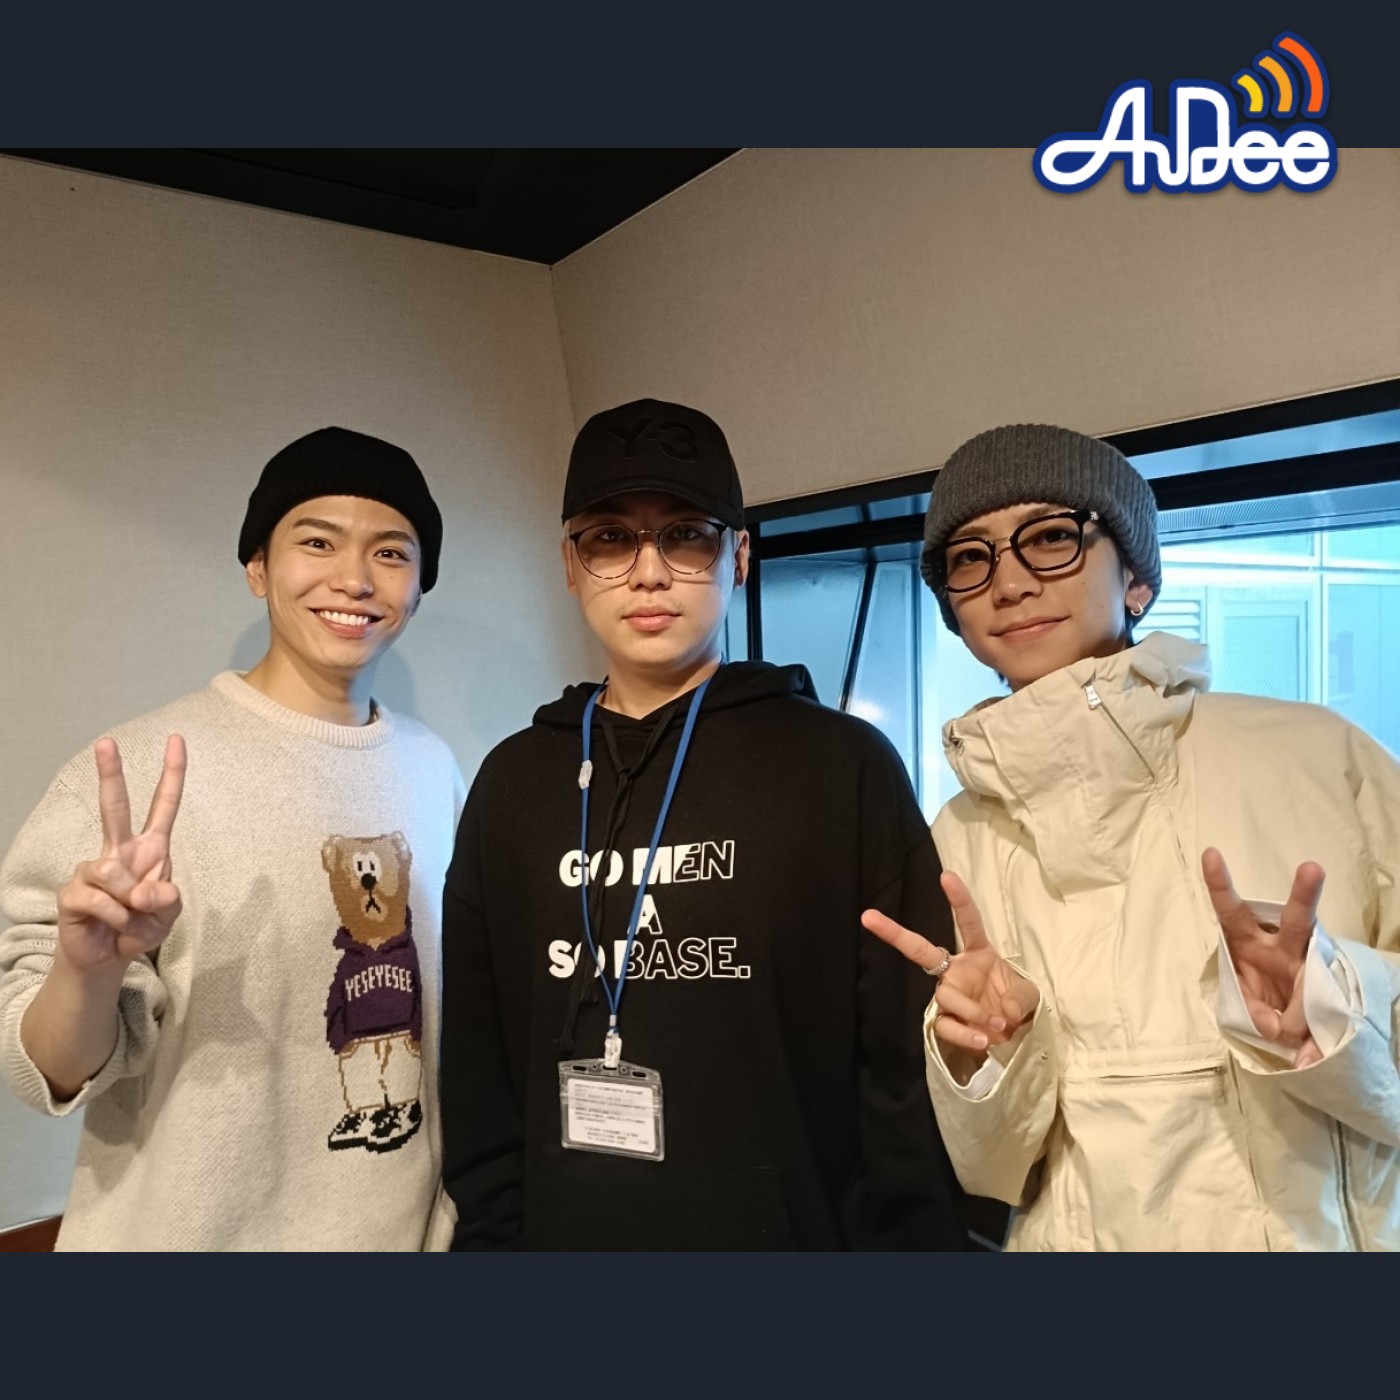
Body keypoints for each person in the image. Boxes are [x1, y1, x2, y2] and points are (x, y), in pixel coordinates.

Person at [440, 397, 982, 1249]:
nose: (648, 572)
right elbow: (480, 1072)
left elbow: (898, 1077)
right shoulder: (513, 782)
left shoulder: (840, 767)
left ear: (740, 558)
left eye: (686, 535)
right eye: (610, 538)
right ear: (570, 565)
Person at [863, 422, 1400, 1251]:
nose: (1010, 582)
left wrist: (1332, 1010)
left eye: (1051, 538)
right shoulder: (959, 832)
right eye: (971, 558)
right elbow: (994, 1172)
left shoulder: (1320, 757)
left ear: (1138, 578)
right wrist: (993, 1055)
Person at [0, 426, 465, 1250]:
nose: (355, 578)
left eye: (391, 553)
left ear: (419, 587)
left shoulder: (435, 769)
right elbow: (48, 1073)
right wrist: (87, 971)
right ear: (257, 567)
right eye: (316, 541)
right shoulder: (140, 770)